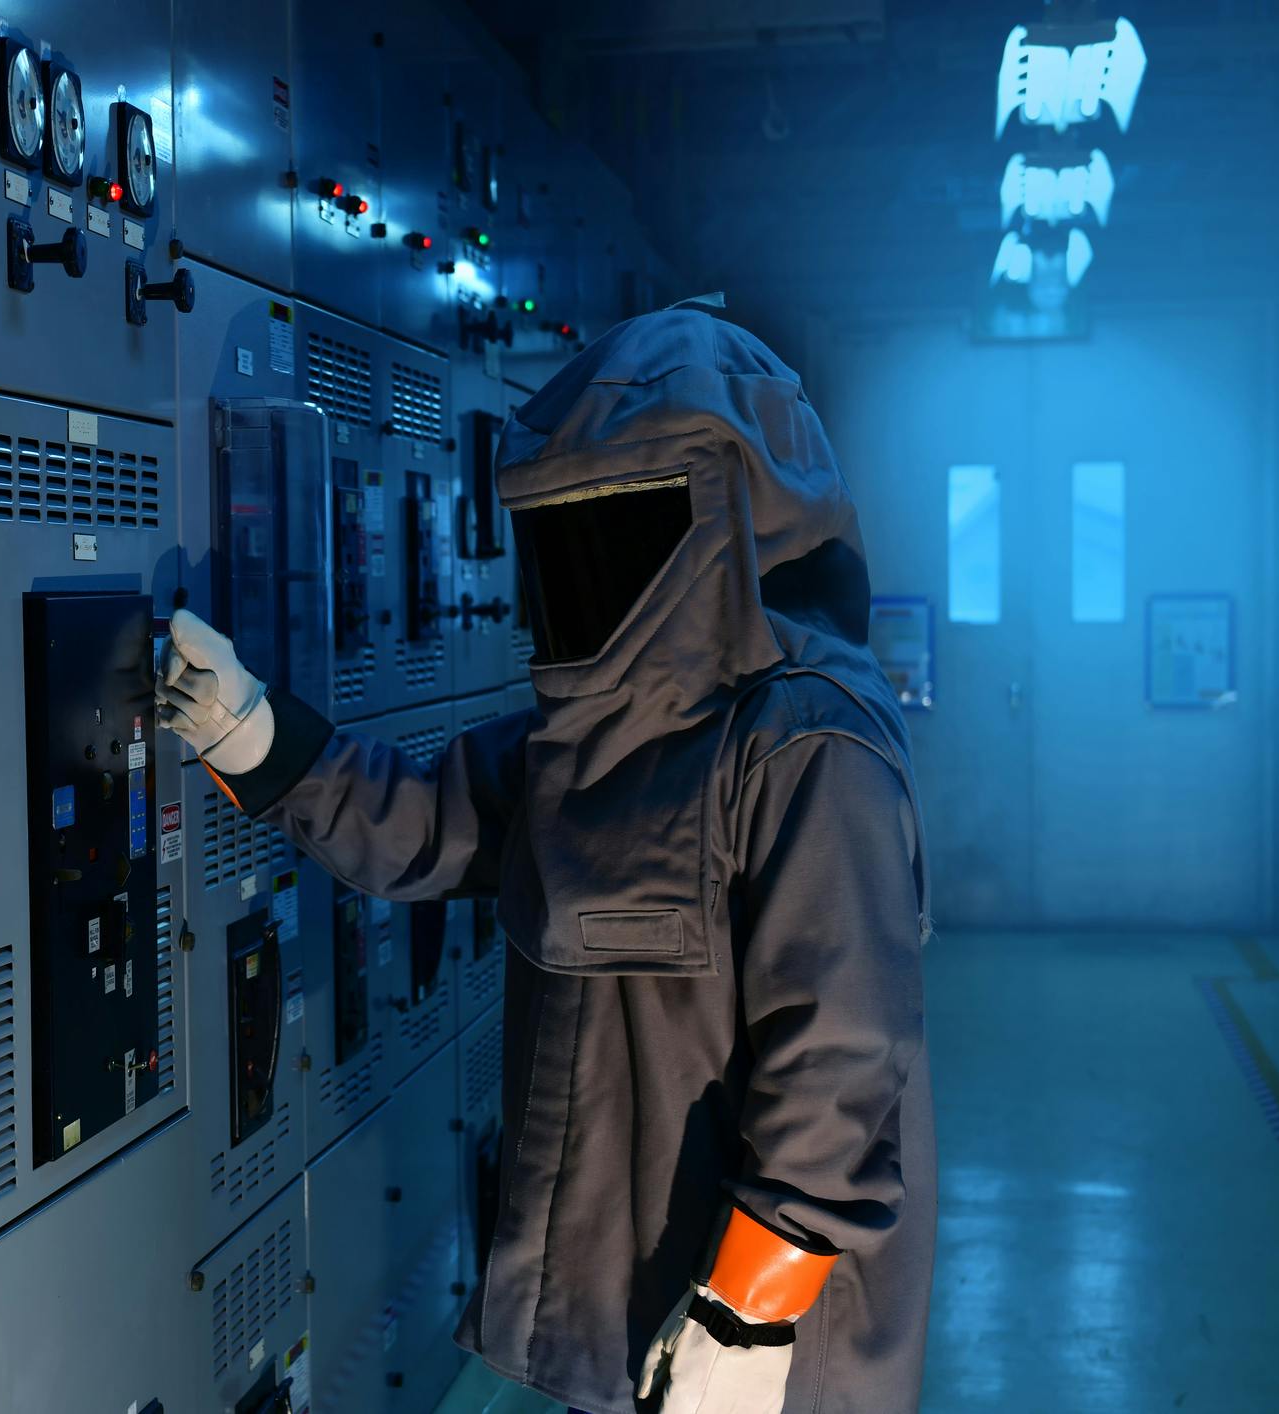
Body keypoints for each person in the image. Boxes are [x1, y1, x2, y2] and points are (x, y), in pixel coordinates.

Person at [157, 305, 935, 1414]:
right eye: (564, 533)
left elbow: (844, 1054)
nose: (590, 569)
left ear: (727, 522)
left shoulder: (808, 740)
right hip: (624, 1323)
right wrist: (252, 731)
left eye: (623, 529)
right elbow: (427, 821)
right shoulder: (587, 735)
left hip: (767, 1352)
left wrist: (749, 1307)